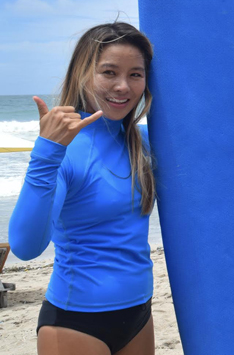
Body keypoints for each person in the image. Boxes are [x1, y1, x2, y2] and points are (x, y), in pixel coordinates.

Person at [8, 23, 156, 355]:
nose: (123, 86)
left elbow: (219, 155)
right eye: (109, 72)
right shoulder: (64, 150)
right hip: (77, 322)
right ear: (82, 73)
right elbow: (26, 245)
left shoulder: (141, 143)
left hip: (139, 312)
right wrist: (46, 153)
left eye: (136, 74)